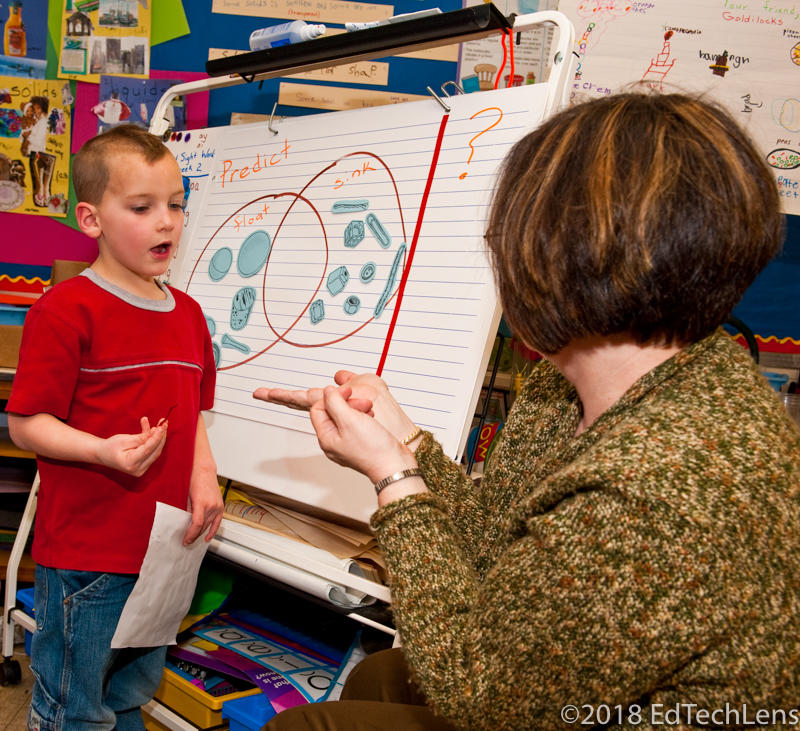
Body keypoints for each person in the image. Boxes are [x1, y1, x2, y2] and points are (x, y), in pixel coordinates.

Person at [253, 91, 800, 730]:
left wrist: (394, 482)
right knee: (379, 675)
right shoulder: (569, 389)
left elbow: (485, 699)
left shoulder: (654, 486)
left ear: (555, 259)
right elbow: (503, 556)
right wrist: (407, 441)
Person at [7, 124, 223, 731]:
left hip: (162, 555)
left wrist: (204, 476)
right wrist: (101, 451)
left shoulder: (188, 315)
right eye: (143, 207)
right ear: (91, 218)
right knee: (77, 709)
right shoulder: (66, 309)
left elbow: (193, 410)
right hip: (87, 557)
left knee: (128, 695)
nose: (167, 222)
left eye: (177, 205)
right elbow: (26, 423)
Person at [25, 95, 55, 207]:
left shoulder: (43, 121)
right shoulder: (36, 120)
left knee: (43, 168)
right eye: (34, 108)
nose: (35, 111)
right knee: (40, 169)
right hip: (36, 151)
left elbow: (38, 139)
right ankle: (43, 190)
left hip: (39, 150)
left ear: (42, 109)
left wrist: (27, 136)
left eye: (38, 108)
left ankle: (44, 189)